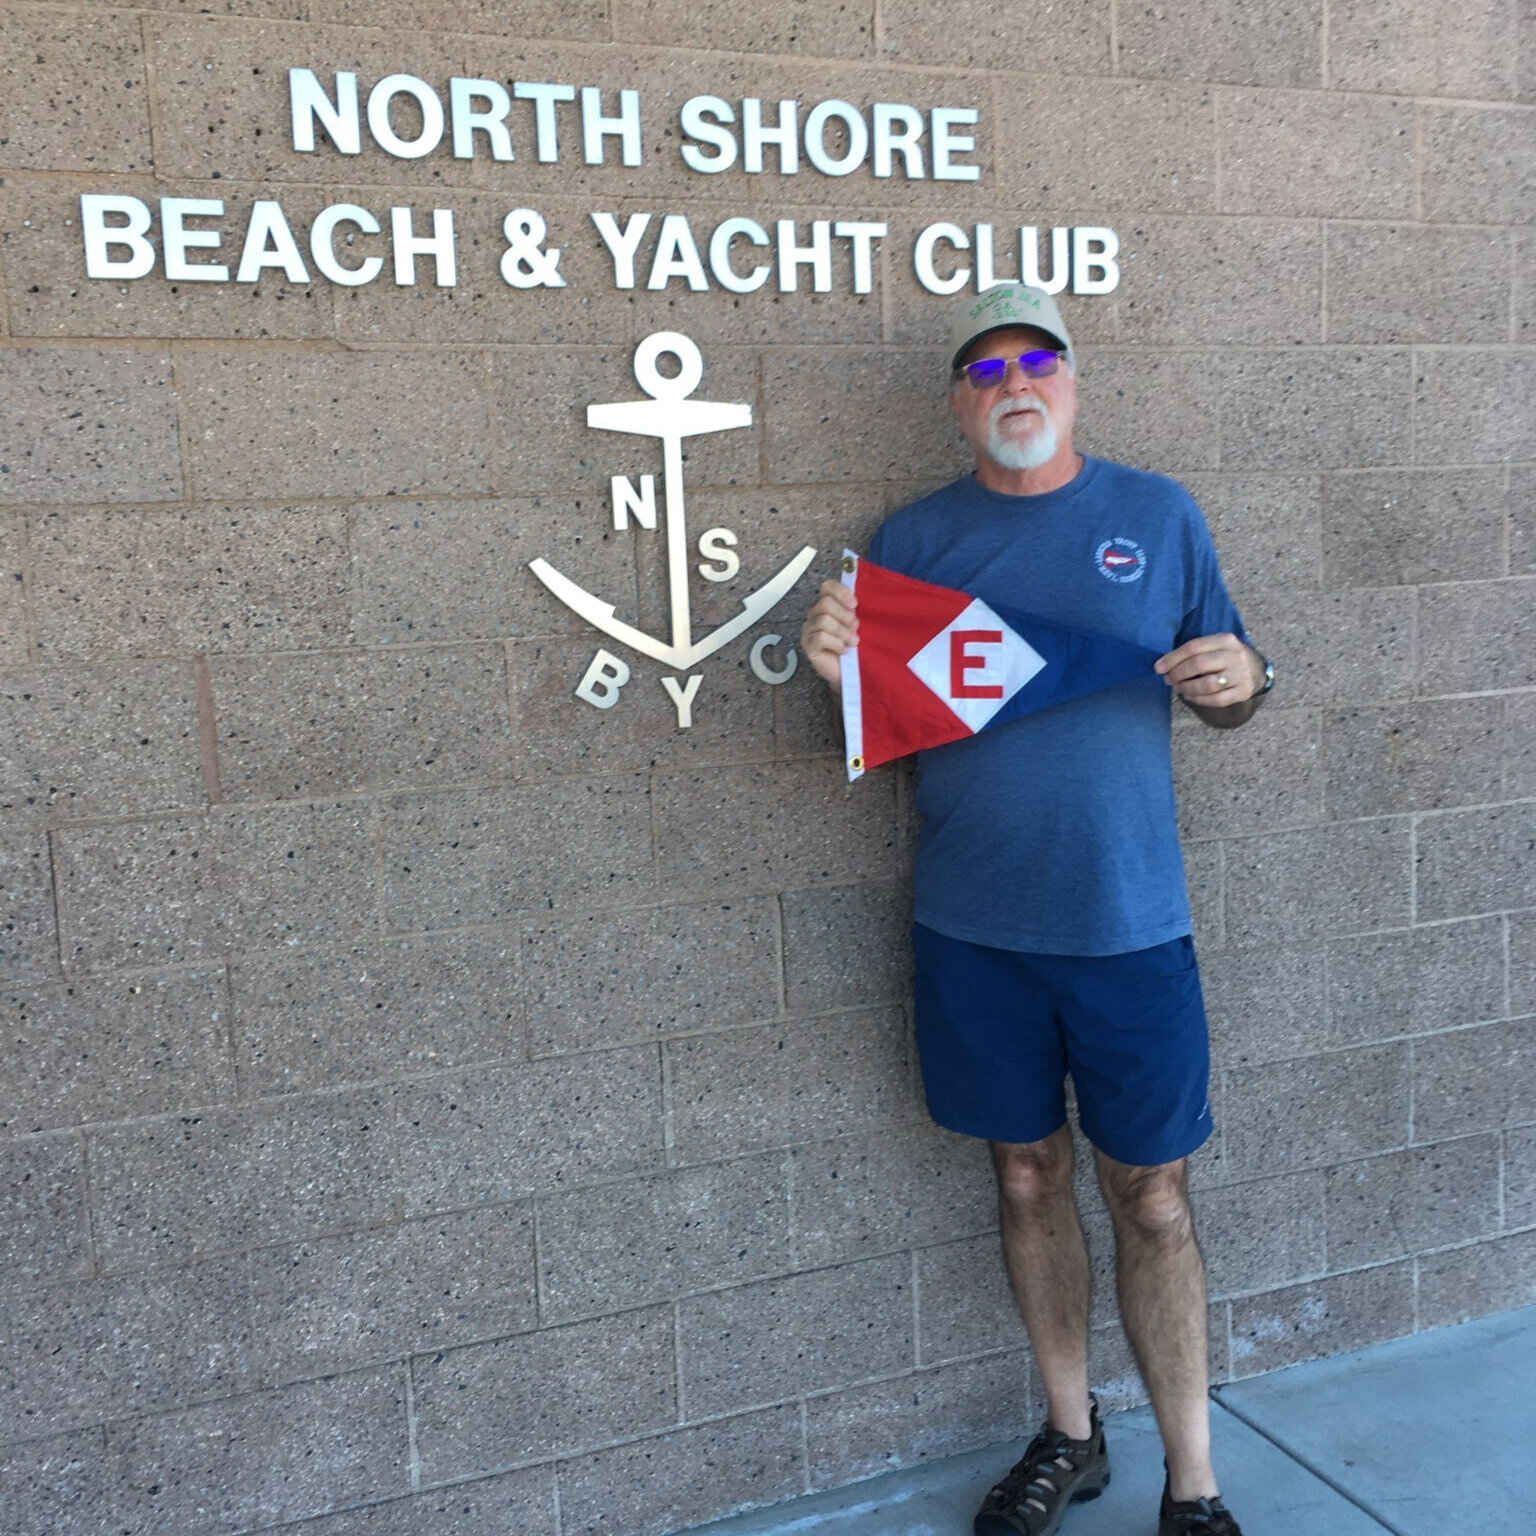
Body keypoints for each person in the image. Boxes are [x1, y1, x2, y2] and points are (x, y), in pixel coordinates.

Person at [799, 283, 1272, 1536]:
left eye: (1038, 360)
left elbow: (1226, 681)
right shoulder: (909, 540)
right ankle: (1071, 1434)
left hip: (1128, 926)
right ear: (961, 401)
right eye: (986, 366)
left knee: (1155, 1198)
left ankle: (1194, 1482)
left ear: (1073, 382)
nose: (1015, 382)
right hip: (974, 930)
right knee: (1022, 1178)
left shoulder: (1158, 517)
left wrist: (1248, 679)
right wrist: (837, 678)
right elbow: (874, 736)